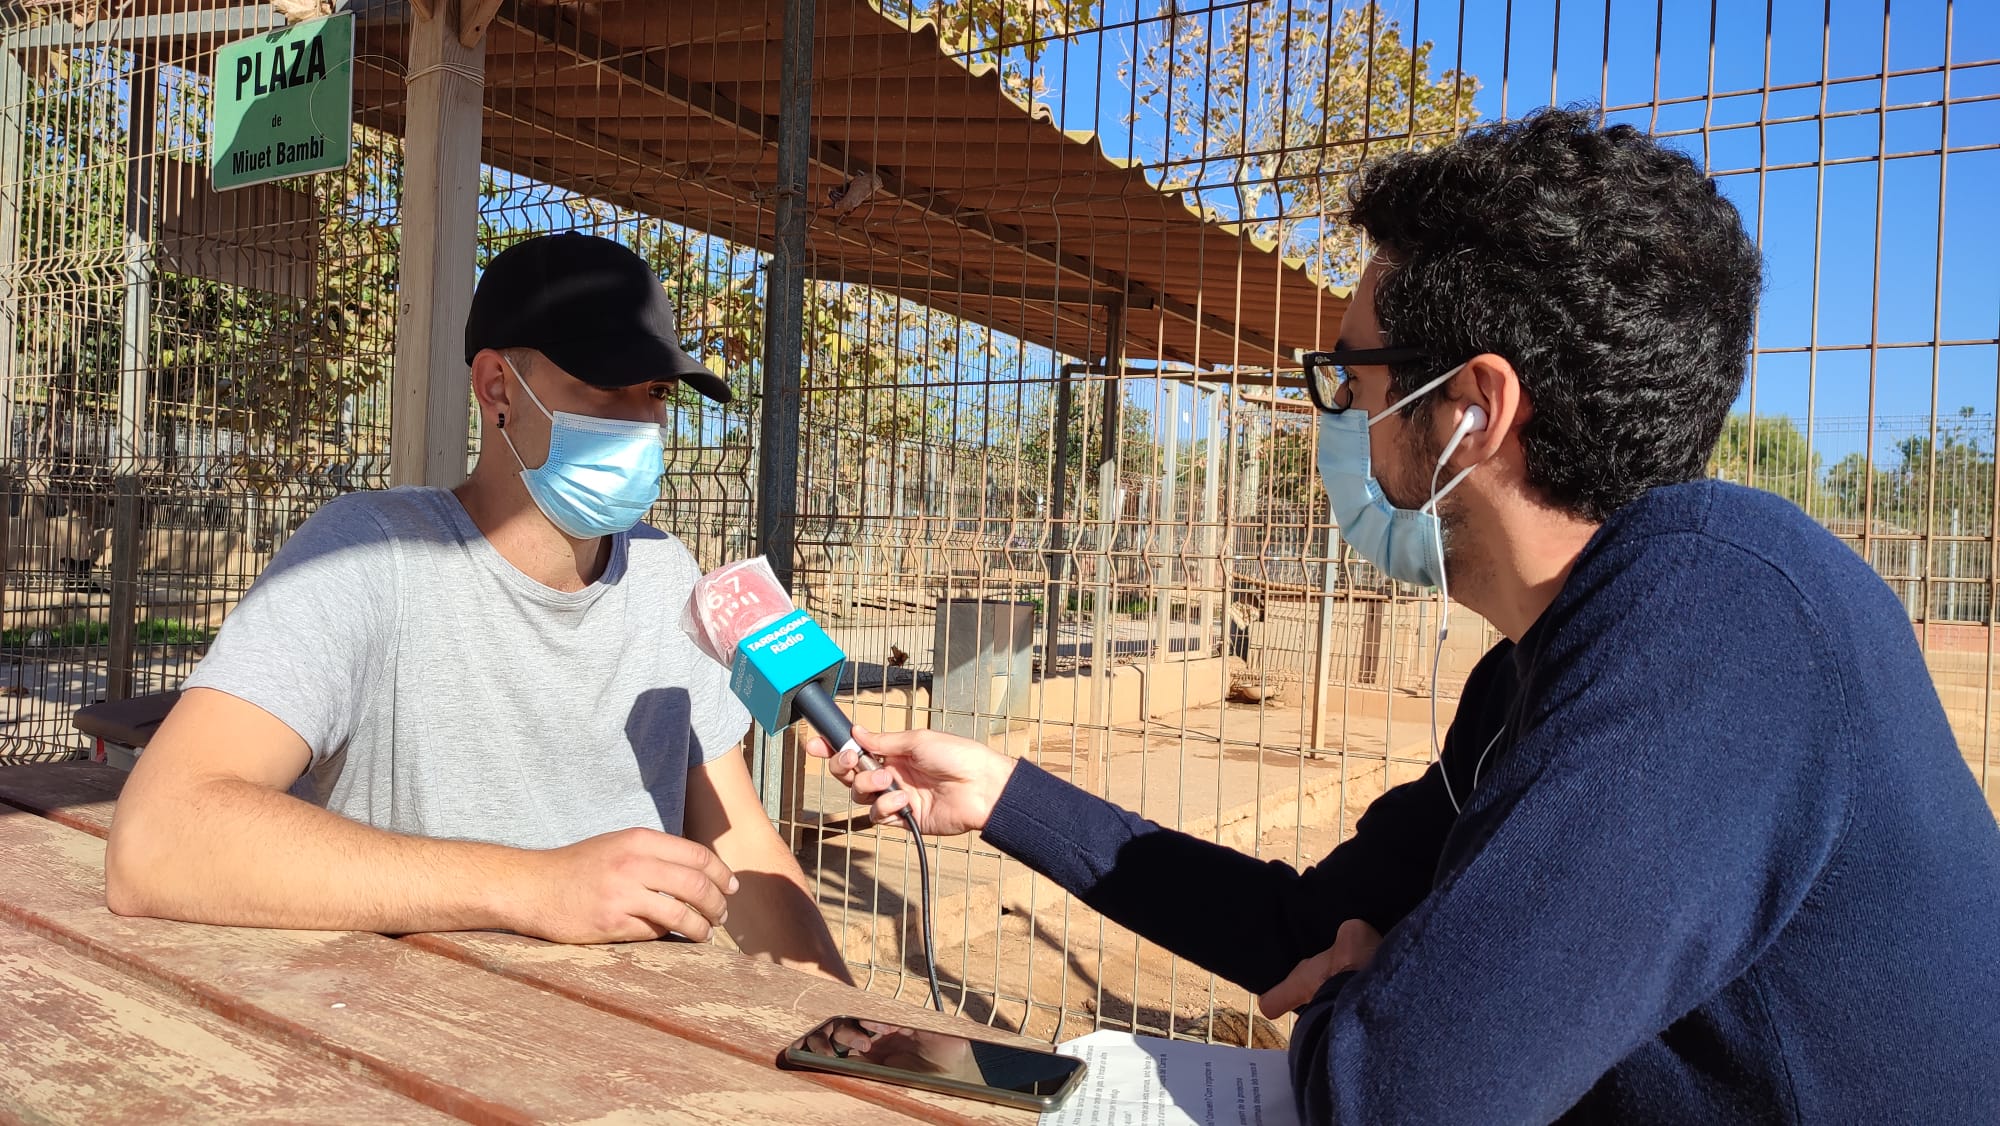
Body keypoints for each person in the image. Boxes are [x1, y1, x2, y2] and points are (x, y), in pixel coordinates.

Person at [810, 108, 2000, 1121]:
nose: (1338, 417)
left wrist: (1382, 996)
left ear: (1472, 408)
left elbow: (1405, 1095)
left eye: (1349, 377)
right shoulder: (1543, 665)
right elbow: (1310, 922)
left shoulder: (1722, 615)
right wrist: (1007, 796)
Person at [107, 232, 850, 983]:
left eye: (656, 392)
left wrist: (846, 1049)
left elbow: (742, 844)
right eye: (607, 384)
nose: (646, 424)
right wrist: (533, 886)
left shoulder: (667, 578)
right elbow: (159, 836)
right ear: (497, 389)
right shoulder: (370, 556)